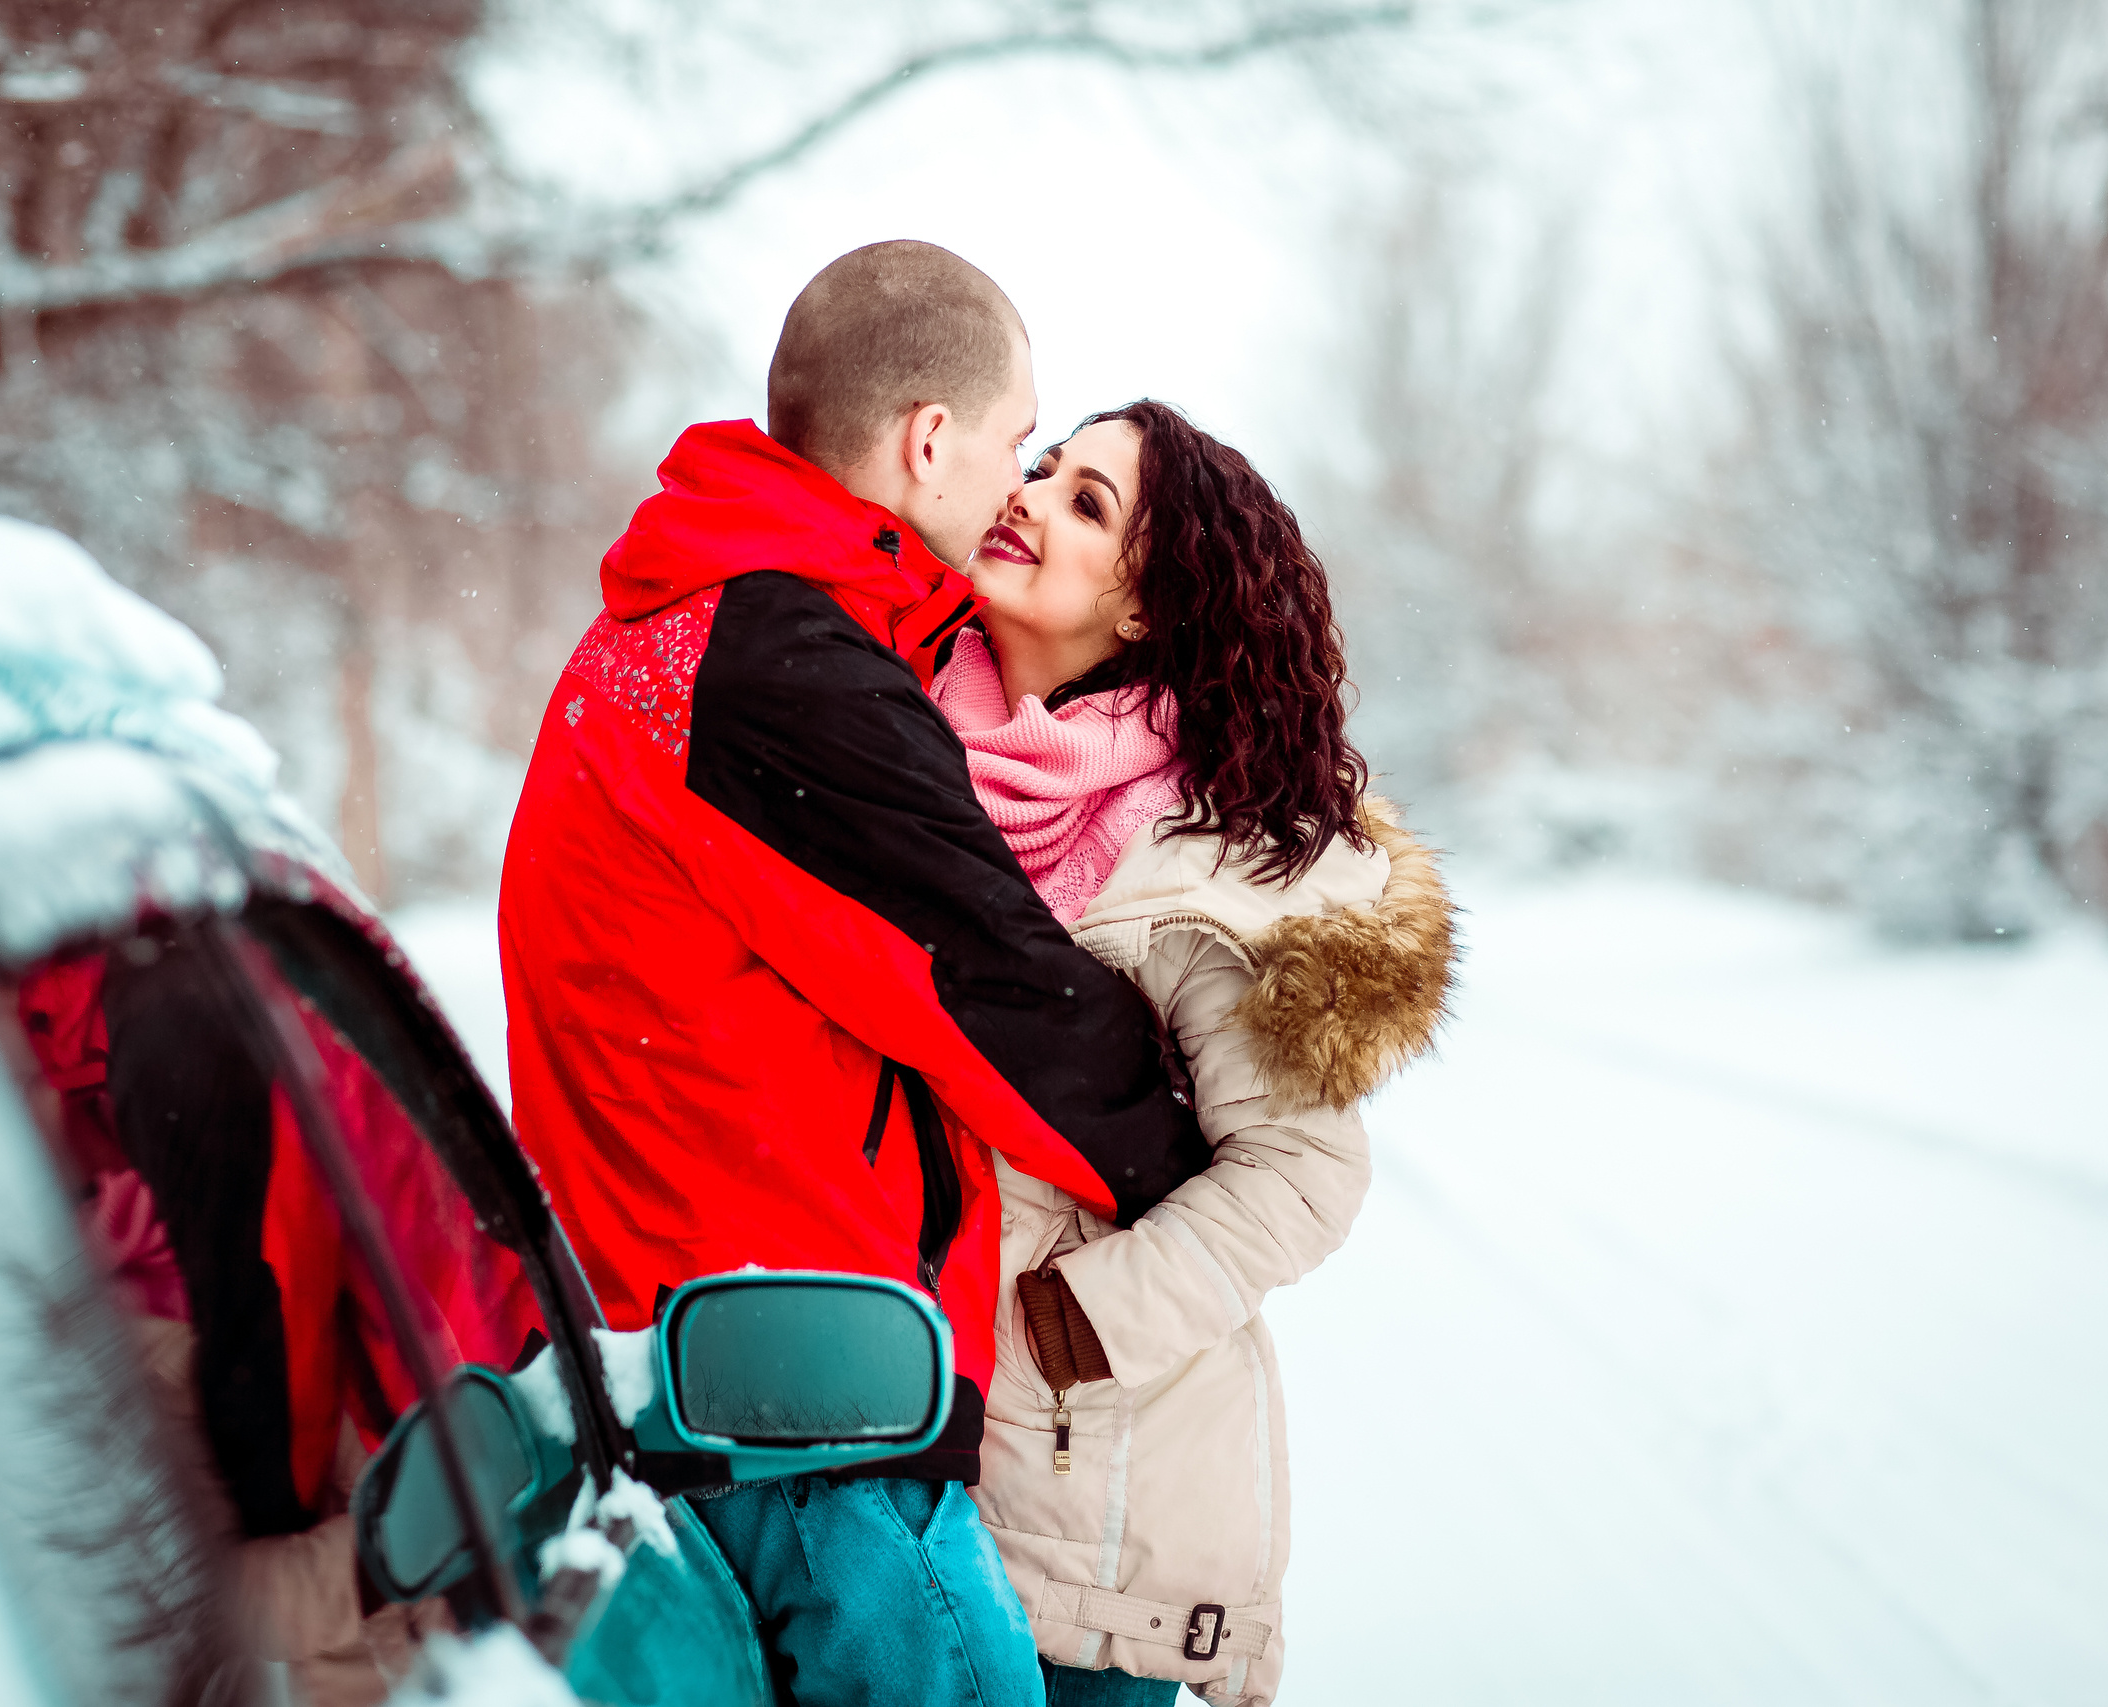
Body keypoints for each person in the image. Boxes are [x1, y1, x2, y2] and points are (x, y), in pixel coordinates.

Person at [497, 246, 1208, 1705]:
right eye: (1019, 444)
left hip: (727, 1374)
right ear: (928, 440)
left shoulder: (692, 624)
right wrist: (1202, 1171)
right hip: (803, 1424)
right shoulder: (772, 665)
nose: (1016, 485)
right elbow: (987, 988)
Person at [934, 401, 1456, 1707]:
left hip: (1090, 1504)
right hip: (917, 1463)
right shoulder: (910, 759)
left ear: (1149, 613)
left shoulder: (1202, 860)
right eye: (1047, 468)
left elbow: (1300, 1174)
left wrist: (1069, 1323)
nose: (1034, 496)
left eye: (1089, 504)